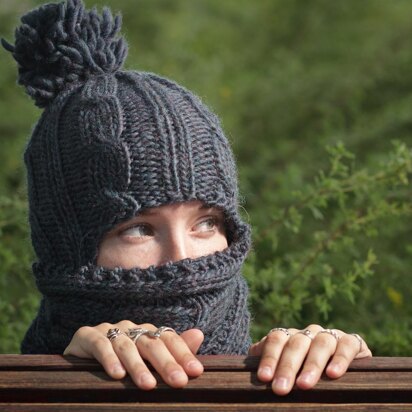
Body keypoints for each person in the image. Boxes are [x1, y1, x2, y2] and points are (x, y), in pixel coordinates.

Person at [1, 0, 371, 396]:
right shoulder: (24, 390)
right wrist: (60, 378)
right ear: (67, 251)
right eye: (139, 228)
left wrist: (339, 377)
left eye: (206, 223)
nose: (183, 259)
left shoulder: (282, 377)